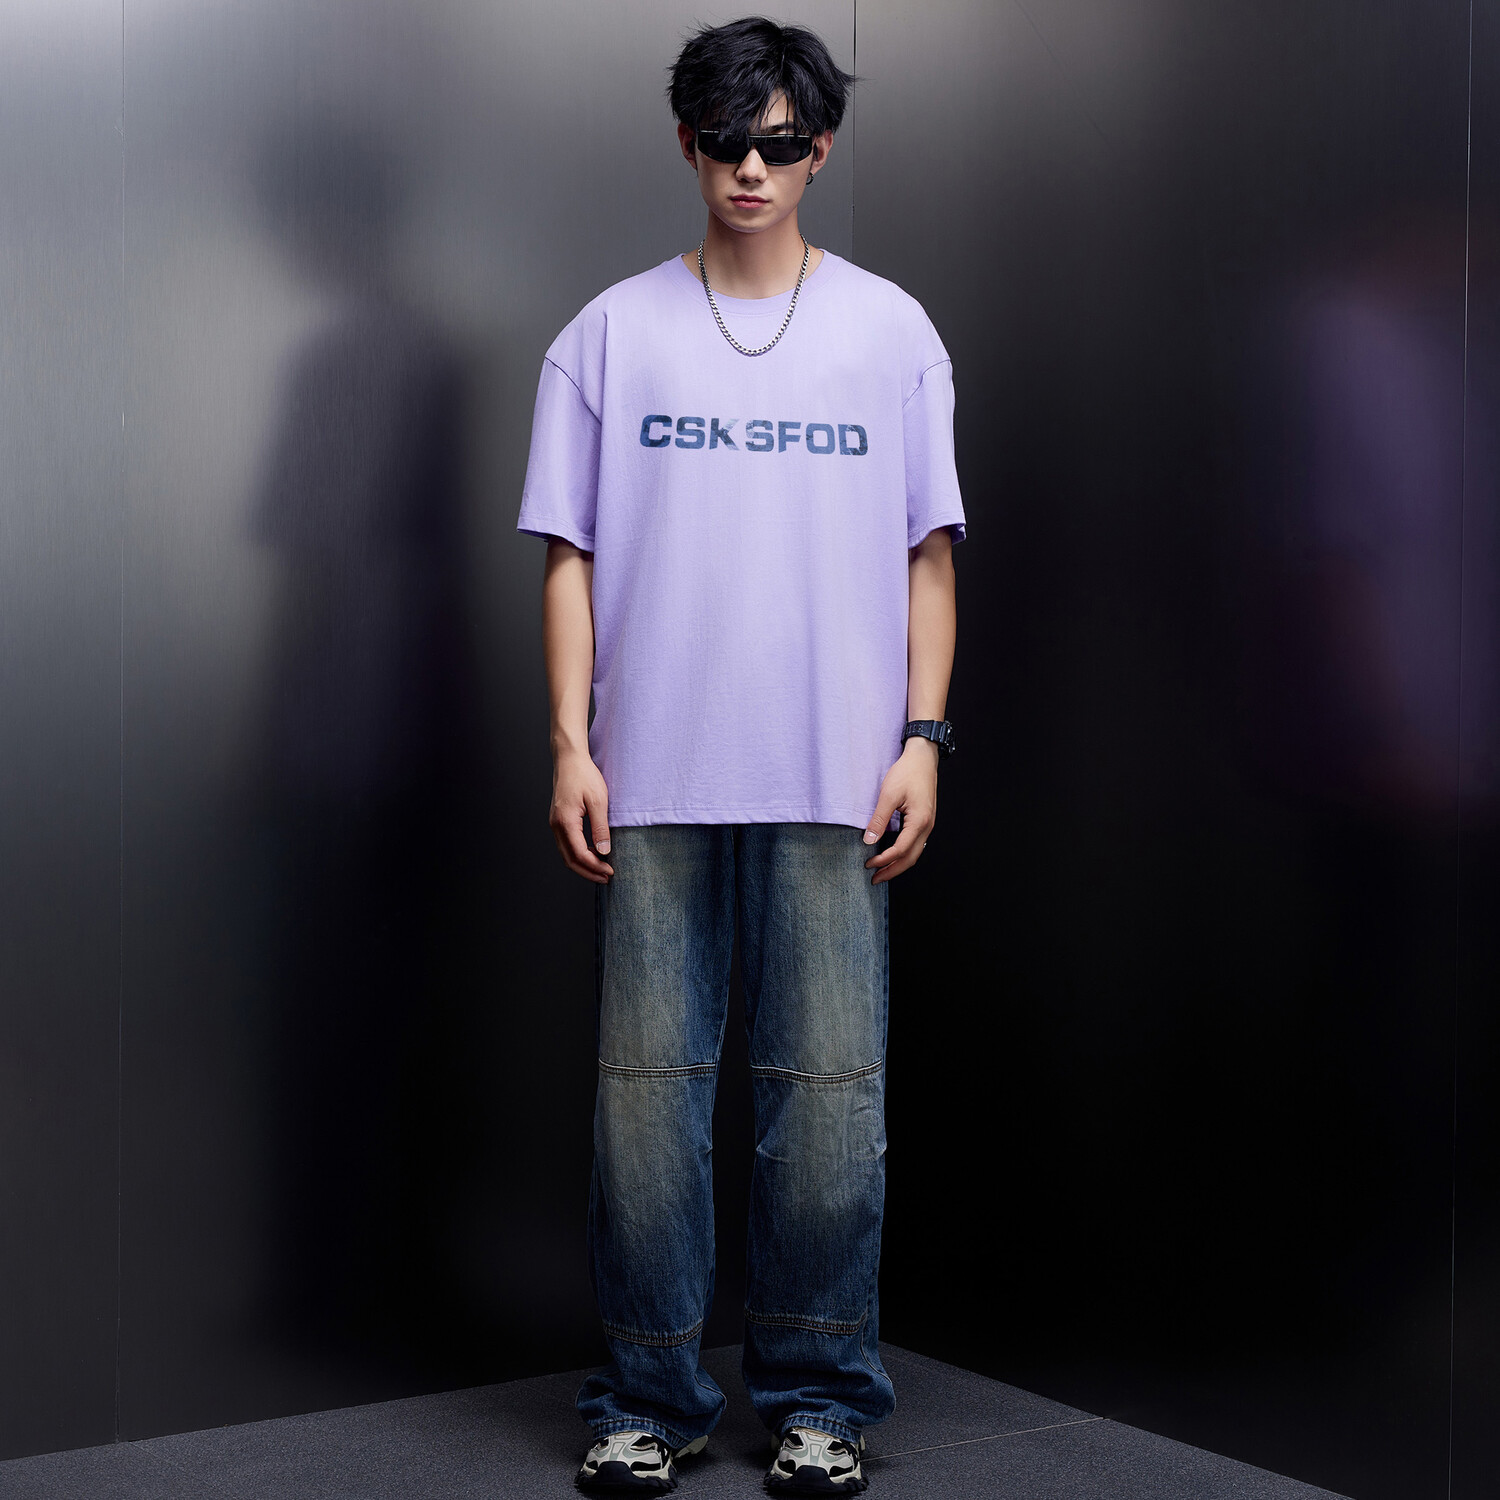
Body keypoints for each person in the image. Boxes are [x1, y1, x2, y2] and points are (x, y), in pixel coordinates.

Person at [515, 16, 966, 1494]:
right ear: (688, 145)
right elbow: (569, 555)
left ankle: (822, 1398)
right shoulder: (607, 334)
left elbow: (929, 554)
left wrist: (922, 737)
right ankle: (647, 1399)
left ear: (819, 150)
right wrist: (572, 745)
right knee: (644, 1106)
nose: (751, 168)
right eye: (726, 141)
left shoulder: (892, 333)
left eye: (780, 142)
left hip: (838, 779)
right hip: (652, 776)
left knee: (829, 1102)